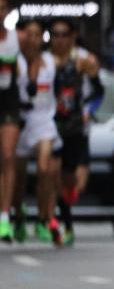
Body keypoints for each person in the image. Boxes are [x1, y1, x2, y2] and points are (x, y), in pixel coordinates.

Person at [48, 19, 103, 247]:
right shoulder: (42, 61)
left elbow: (99, 91)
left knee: (69, 177)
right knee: (51, 172)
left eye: (64, 34)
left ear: (72, 37)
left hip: (74, 126)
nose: (59, 39)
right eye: (55, 34)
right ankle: (54, 220)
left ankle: (65, 215)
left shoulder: (83, 61)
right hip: (49, 124)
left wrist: (88, 111)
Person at [15, 20, 63, 245]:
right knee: (18, 178)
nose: (33, 39)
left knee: (45, 169)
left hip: (44, 121)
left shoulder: (51, 62)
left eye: (37, 34)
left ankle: (43, 218)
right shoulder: (16, 61)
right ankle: (18, 214)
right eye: (29, 34)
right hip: (20, 122)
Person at [0, 0, 22, 243]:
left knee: (8, 156)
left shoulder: (18, 37)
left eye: (2, 8)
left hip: (10, 103)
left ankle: (4, 217)